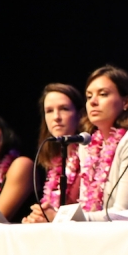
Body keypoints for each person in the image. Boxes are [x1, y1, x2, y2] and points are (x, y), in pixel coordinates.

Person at [31, 65, 128, 222]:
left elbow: (126, 213)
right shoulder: (89, 144)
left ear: (125, 102)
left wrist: (60, 218)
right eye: (89, 96)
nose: (93, 102)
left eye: (103, 94)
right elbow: (88, 207)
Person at [22, 83, 87, 223]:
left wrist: (54, 217)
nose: (56, 117)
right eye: (49, 111)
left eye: (64, 109)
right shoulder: (56, 161)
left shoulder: (89, 156)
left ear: (80, 114)